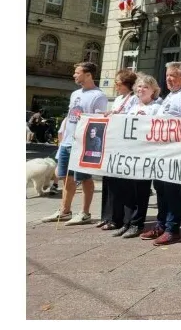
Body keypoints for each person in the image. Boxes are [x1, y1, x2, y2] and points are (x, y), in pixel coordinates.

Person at [139, 61, 181, 246]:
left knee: (172, 190)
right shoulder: (171, 95)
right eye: (167, 76)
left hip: (175, 151)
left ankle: (172, 229)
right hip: (160, 150)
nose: (168, 79)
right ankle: (161, 224)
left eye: (172, 76)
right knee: (161, 189)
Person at [41, 62, 108, 225]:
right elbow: (69, 117)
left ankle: (85, 212)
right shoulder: (75, 93)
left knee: (84, 178)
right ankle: (65, 210)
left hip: (83, 143)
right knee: (66, 177)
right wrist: (63, 138)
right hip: (68, 141)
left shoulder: (98, 96)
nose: (74, 75)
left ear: (88, 75)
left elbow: (98, 121)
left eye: (77, 72)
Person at [115, 73, 163, 238]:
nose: (141, 89)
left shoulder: (157, 107)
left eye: (146, 87)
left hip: (146, 155)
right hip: (130, 153)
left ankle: (137, 223)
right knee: (128, 190)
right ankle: (127, 222)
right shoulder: (133, 107)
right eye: (139, 86)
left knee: (141, 190)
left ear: (153, 90)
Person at [98, 69, 138, 231]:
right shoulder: (118, 99)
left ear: (127, 84)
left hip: (125, 147)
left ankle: (118, 218)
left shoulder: (133, 99)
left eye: (118, 83)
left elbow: (131, 118)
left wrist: (115, 115)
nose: (116, 86)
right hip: (113, 144)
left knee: (122, 185)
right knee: (109, 182)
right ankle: (108, 216)